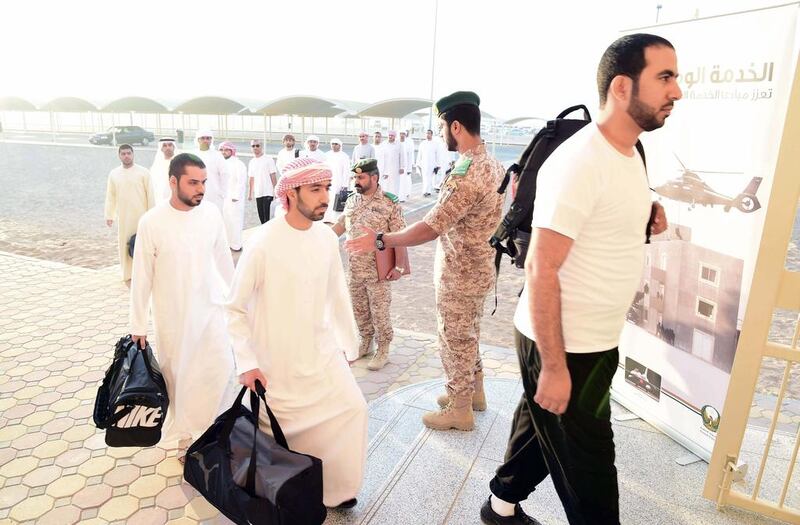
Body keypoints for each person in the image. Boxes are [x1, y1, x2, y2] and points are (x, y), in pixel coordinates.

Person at [481, 34, 676, 525]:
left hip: (596, 341)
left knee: (540, 430)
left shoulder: (631, 154)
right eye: (665, 77)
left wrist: (647, 210)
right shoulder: (579, 162)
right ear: (621, 87)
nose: (677, 91)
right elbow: (541, 266)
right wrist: (553, 366)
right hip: (564, 345)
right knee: (590, 475)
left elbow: (606, 210)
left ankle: (500, 508)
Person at [346, 91, 504, 431]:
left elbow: (430, 227)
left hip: (461, 271)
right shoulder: (493, 163)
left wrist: (381, 239)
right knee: (469, 332)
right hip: (480, 267)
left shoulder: (467, 172)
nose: (442, 132)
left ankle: (459, 409)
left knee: (454, 336)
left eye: (442, 126)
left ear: (456, 126)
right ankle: (473, 393)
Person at [226, 157, 368, 509]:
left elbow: (337, 295)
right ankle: (292, 489)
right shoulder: (262, 242)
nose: (324, 197)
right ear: (290, 194)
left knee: (353, 409)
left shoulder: (325, 238)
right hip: (276, 360)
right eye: (315, 189)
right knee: (286, 430)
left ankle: (336, 491)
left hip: (320, 353)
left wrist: (348, 347)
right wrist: (246, 363)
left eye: (327, 189)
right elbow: (233, 308)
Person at [129, 153, 236, 459]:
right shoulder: (152, 221)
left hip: (212, 310)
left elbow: (224, 262)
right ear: (173, 181)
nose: (200, 188)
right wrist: (138, 325)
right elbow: (142, 278)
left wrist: (238, 303)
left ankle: (217, 433)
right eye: (193, 182)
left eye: (203, 182)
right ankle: (187, 437)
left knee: (219, 369)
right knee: (181, 378)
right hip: (172, 317)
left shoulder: (212, 214)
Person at [332, 159, 406, 370]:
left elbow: (400, 236)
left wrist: (398, 266)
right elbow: (341, 225)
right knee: (359, 308)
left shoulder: (389, 202)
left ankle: (383, 348)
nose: (357, 181)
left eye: (361, 177)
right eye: (355, 177)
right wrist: (323, 238)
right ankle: (366, 341)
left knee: (380, 311)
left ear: (374, 177)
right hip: (355, 268)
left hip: (378, 270)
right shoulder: (352, 200)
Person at [104, 144, 155, 284]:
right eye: (123, 154)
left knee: (143, 245)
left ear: (133, 154)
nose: (126, 156)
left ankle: (144, 273)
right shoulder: (114, 174)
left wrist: (152, 215)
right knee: (125, 244)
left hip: (142, 216)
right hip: (124, 218)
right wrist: (110, 215)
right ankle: (127, 273)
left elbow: (150, 195)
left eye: (129, 153)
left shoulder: (143, 173)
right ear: (119, 155)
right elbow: (111, 196)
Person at [192, 129, 228, 214]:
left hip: (214, 194)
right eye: (203, 138)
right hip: (196, 193)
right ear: (198, 140)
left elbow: (225, 175)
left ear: (211, 140)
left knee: (214, 218)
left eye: (208, 138)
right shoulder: (193, 155)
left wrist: (222, 192)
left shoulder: (217, 155)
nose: (205, 140)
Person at [220, 142, 248, 251]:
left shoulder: (238, 163)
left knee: (235, 221)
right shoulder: (221, 163)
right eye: (222, 150)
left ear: (232, 151)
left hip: (234, 198)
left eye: (226, 150)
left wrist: (236, 195)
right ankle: (227, 244)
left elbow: (241, 181)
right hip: (223, 198)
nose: (224, 152)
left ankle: (236, 245)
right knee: (225, 221)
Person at [248, 138, 278, 224]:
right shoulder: (252, 162)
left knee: (267, 218)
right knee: (261, 218)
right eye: (253, 146)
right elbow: (251, 178)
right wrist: (250, 194)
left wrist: (275, 191)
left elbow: (273, 175)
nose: (255, 147)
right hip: (258, 193)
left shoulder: (268, 159)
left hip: (268, 192)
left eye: (257, 145)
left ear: (262, 147)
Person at [324, 137, 352, 223]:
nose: (334, 146)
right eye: (332, 144)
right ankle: (326, 218)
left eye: (336, 144)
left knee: (336, 201)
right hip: (328, 181)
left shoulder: (344, 156)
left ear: (340, 145)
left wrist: (345, 185)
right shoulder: (327, 154)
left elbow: (346, 171)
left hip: (339, 182)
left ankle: (335, 220)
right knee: (327, 198)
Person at [150, 137, 178, 204]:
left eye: (170, 145)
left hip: (177, 197)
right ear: (161, 149)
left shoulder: (180, 163)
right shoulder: (156, 165)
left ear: (174, 147)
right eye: (165, 145)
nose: (168, 147)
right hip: (161, 199)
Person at [379, 130, 405, 196]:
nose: (390, 136)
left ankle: (394, 198)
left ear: (395, 137)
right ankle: (385, 199)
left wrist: (402, 167)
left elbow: (402, 156)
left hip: (395, 169)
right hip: (384, 168)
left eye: (392, 135)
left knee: (394, 184)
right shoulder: (383, 144)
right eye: (389, 135)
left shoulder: (399, 144)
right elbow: (380, 157)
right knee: (385, 184)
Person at [415, 129, 440, 197]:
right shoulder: (422, 143)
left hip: (432, 163)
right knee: (425, 177)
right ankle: (426, 191)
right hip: (424, 163)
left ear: (431, 134)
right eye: (426, 133)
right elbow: (419, 154)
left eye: (429, 133)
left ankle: (427, 191)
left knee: (430, 177)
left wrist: (438, 164)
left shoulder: (435, 144)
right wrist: (417, 163)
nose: (427, 135)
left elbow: (437, 155)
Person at [398, 130, 415, 201]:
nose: (402, 135)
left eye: (403, 134)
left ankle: (402, 197)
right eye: (400, 134)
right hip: (396, 166)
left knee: (403, 182)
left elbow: (410, 156)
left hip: (405, 167)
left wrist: (409, 169)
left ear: (406, 135)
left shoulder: (408, 144)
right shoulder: (396, 143)